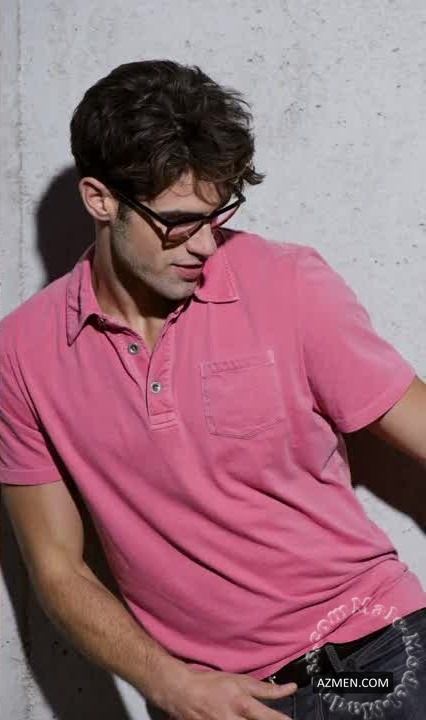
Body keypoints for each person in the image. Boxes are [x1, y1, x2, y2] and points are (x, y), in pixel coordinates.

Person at [1, 59, 425, 720]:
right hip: (212, 698)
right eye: (178, 221)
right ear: (100, 200)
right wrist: (169, 684)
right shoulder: (22, 354)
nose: (204, 244)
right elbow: (57, 568)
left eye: (216, 214)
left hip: (371, 660)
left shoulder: (286, 283)